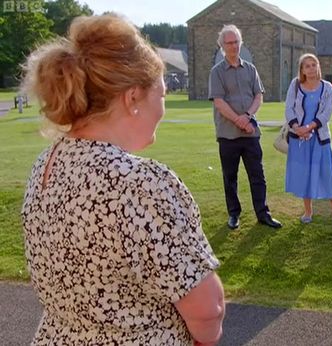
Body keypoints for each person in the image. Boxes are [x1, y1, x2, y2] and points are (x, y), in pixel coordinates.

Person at [20, 14, 224, 345]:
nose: (163, 106)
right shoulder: (140, 184)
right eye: (161, 92)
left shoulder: (46, 164)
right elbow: (208, 309)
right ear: (132, 98)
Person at [209, 24, 282, 230]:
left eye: (236, 42)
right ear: (222, 45)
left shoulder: (251, 69)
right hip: (227, 135)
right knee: (230, 178)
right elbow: (219, 102)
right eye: (229, 43)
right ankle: (234, 214)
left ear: (241, 43)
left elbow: (259, 96)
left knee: (258, 176)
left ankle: (263, 214)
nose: (233, 46)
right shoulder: (217, 72)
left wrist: (248, 116)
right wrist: (239, 120)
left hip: (251, 134)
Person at [284, 54, 332, 225]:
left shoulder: (327, 87)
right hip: (300, 140)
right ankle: (308, 211)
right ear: (302, 70)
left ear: (318, 66)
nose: (311, 68)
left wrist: (309, 127)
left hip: (320, 138)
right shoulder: (295, 85)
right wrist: (297, 128)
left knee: (327, 174)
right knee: (304, 175)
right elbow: (289, 108)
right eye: (307, 66)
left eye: (313, 65)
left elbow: (326, 114)